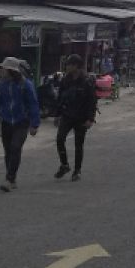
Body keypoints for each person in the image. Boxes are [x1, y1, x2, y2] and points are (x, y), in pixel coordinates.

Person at [0, 56, 41, 192]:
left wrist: (35, 124)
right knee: (8, 150)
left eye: (3, 68)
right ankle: (12, 178)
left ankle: (9, 179)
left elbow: (33, 104)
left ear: (10, 70)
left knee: (15, 147)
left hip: (22, 122)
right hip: (6, 122)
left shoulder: (25, 85)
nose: (1, 70)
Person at [54, 54, 98, 182]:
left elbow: (92, 101)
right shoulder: (65, 80)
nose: (67, 67)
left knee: (78, 144)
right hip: (67, 115)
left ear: (76, 66)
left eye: (69, 64)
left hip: (81, 118)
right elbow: (60, 98)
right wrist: (57, 115)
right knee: (59, 139)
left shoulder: (86, 81)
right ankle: (64, 164)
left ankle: (77, 170)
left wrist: (90, 118)